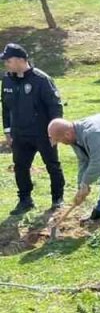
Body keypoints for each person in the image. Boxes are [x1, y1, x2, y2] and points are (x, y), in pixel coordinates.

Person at [1, 43, 65, 216]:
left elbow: (55, 107)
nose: (6, 63)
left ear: (22, 60)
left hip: (43, 133)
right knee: (20, 166)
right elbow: (6, 108)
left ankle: (57, 199)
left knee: (52, 165)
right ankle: (25, 200)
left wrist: (55, 131)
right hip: (19, 134)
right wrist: (7, 131)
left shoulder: (41, 80)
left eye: (9, 60)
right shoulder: (6, 80)